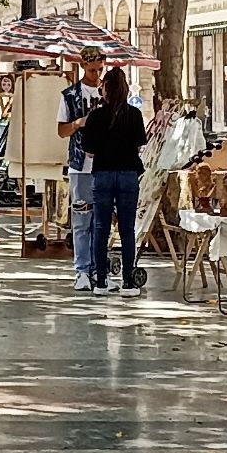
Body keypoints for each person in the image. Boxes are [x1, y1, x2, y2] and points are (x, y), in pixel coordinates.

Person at [78, 67, 151, 295]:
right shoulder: (135, 115)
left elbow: (88, 151)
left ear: (105, 89)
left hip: (103, 175)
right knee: (127, 229)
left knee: (101, 227)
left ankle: (100, 281)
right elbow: (140, 145)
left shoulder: (96, 116)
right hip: (129, 175)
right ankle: (128, 282)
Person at [56, 55, 103, 292]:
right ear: (83, 66)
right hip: (80, 167)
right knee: (82, 220)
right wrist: (78, 123)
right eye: (93, 70)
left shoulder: (108, 93)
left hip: (104, 166)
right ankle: (82, 270)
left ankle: (99, 269)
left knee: (100, 222)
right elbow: (61, 131)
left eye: (100, 69)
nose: (96, 74)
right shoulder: (70, 95)